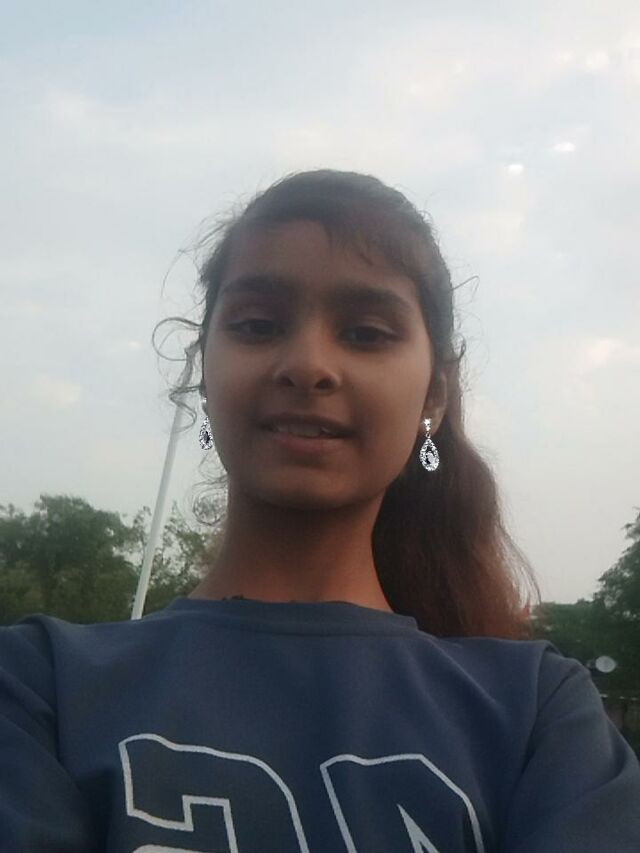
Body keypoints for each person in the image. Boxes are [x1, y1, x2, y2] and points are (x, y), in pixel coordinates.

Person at [1, 169, 639, 851]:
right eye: (258, 325)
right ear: (204, 374)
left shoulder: (537, 711)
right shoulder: (40, 685)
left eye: (365, 332)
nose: (307, 365)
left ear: (435, 396)